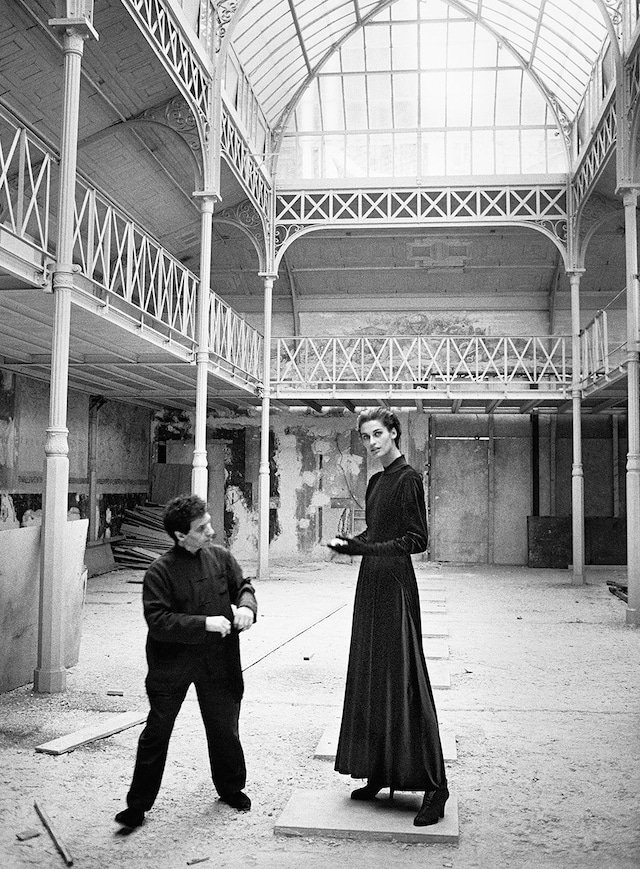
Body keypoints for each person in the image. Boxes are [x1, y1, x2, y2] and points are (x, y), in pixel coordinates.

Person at [328, 409, 449, 827]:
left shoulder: (409, 479)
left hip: (396, 585)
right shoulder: (377, 481)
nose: (372, 442)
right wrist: (350, 543)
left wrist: (366, 549)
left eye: (378, 433)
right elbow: (376, 534)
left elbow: (417, 540)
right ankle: (379, 771)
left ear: (394, 432)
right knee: (372, 676)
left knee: (405, 680)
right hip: (371, 586)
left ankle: (435, 787)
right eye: (365, 437)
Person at [114, 494, 257, 830]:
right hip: (171, 663)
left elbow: (243, 586)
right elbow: (158, 622)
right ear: (180, 535)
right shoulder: (159, 572)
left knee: (224, 727)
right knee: (157, 731)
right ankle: (137, 806)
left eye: (208, 524)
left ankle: (231, 788)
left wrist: (247, 607)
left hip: (218, 659)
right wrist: (204, 623)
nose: (211, 532)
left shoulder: (220, 558)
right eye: (201, 528)